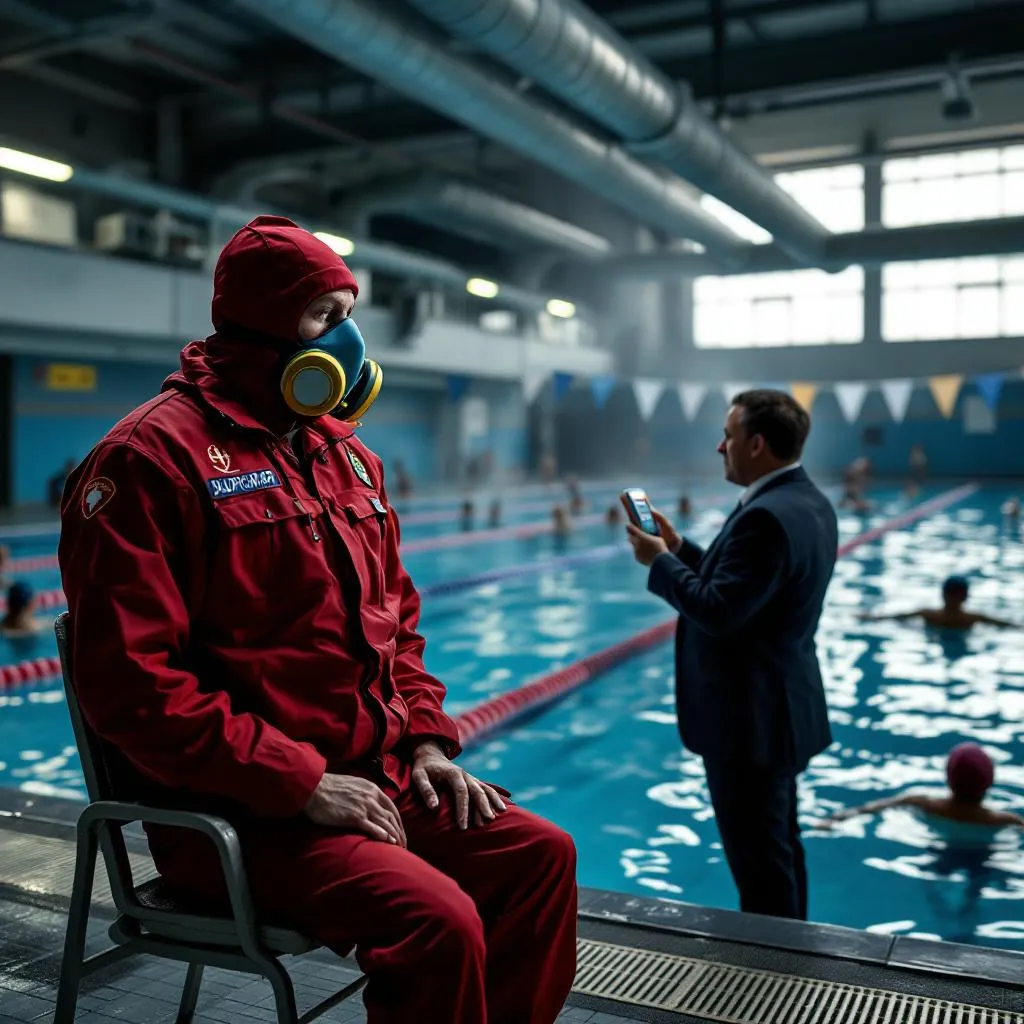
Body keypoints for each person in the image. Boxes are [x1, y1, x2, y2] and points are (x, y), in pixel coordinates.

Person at [58, 216, 576, 1024]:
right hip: (238, 814)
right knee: (438, 923)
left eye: (348, 313)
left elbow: (397, 624)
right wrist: (298, 782)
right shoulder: (149, 460)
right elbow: (131, 686)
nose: (348, 338)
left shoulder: (346, 455)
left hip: (375, 781)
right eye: (324, 316)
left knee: (540, 857)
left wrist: (426, 741)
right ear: (261, 322)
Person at [626, 389, 837, 920]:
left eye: (728, 436)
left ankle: (773, 965)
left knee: (760, 865)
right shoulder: (806, 501)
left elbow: (719, 610)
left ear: (757, 444)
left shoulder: (765, 516)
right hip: (780, 710)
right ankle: (793, 948)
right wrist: (680, 551)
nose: (721, 447)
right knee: (779, 849)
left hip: (750, 722)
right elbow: (749, 589)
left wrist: (659, 561)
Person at [823, 744, 1023, 829]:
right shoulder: (1003, 820)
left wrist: (835, 818)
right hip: (981, 853)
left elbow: (876, 807)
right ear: (990, 783)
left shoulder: (925, 803)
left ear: (948, 779)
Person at [860, 575, 1017, 631]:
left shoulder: (931, 616)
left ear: (943, 595)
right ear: (966, 597)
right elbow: (896, 617)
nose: (953, 600)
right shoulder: (971, 619)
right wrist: (873, 618)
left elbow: (897, 617)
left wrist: (872, 618)